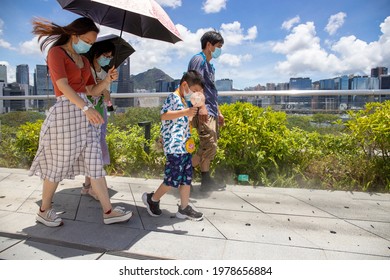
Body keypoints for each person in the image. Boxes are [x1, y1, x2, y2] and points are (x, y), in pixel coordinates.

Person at [29, 17, 133, 227]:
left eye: (92, 42)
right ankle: (44, 210)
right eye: (87, 40)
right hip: (67, 112)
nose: (89, 45)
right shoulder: (56, 53)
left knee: (95, 162)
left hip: (84, 114)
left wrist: (106, 81)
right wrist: (85, 108)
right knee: (58, 164)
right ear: (74, 35)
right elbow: (63, 86)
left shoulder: (84, 61)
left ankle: (108, 211)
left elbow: (90, 90)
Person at [142, 70, 204, 221]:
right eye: (194, 90)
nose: (195, 94)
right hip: (174, 147)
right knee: (172, 179)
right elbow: (164, 115)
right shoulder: (173, 97)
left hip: (184, 147)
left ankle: (184, 208)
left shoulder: (184, 100)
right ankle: (153, 199)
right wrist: (186, 112)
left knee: (186, 179)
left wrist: (189, 115)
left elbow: (181, 121)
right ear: (185, 85)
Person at [188, 30, 225, 192]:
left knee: (207, 145)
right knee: (209, 145)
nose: (219, 50)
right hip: (202, 110)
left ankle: (205, 180)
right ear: (208, 45)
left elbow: (211, 91)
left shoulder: (210, 66)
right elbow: (193, 84)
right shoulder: (198, 60)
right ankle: (184, 171)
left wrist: (218, 111)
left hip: (210, 109)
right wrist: (202, 107)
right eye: (218, 46)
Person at [80, 40, 115, 200]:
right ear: (97, 53)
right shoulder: (86, 68)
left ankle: (89, 185)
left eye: (110, 57)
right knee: (92, 149)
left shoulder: (105, 72)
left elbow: (105, 94)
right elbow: (89, 92)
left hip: (101, 113)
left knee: (96, 147)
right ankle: (94, 186)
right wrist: (101, 89)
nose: (107, 59)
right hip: (89, 113)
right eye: (105, 55)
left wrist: (105, 90)